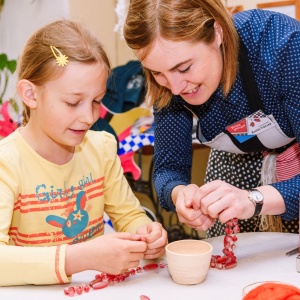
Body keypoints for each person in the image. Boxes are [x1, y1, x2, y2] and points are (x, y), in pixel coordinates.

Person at [0, 19, 168, 286]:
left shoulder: (100, 148)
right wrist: (79, 258)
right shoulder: (6, 163)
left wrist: (145, 234)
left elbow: (128, 215)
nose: (88, 116)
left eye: (97, 101)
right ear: (30, 94)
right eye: (73, 102)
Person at [123, 0, 300, 237]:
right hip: (231, 165)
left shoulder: (284, 46)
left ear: (218, 33)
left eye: (184, 68)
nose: (175, 89)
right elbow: (169, 169)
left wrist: (254, 198)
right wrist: (180, 193)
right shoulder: (169, 78)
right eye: (157, 73)